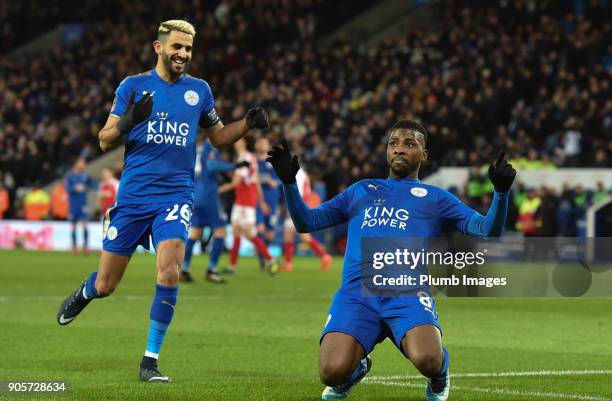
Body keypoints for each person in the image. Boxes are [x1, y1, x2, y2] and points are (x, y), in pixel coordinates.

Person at [56, 20, 269, 383]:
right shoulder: (133, 86)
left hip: (176, 195)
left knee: (170, 269)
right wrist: (129, 121)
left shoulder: (199, 91)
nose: (184, 54)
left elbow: (218, 137)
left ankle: (149, 361)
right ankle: (87, 291)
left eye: (188, 48)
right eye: (177, 47)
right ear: (159, 47)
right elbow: (104, 141)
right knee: (107, 285)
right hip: (134, 198)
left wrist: (246, 124)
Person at [266, 120, 515, 401]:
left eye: (410, 144)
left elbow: (487, 229)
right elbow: (306, 222)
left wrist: (501, 193)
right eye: (394, 143)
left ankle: (440, 376)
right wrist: (289, 184)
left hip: (407, 294)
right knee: (331, 372)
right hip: (357, 295)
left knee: (428, 360)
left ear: (424, 155)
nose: (400, 149)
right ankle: (356, 368)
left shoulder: (437, 198)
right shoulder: (361, 190)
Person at [180, 137, 249, 283]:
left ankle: (184, 269)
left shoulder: (198, 147)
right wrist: (234, 166)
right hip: (209, 196)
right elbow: (211, 165)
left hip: (195, 195)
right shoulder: (211, 147)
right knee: (221, 231)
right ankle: (212, 269)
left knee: (195, 233)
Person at [218, 138, 279, 275]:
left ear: (244, 143)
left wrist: (218, 191)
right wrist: (261, 201)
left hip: (246, 202)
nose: (236, 142)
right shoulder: (250, 158)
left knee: (249, 234)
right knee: (236, 233)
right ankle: (232, 266)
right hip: (243, 200)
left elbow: (236, 182)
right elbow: (256, 181)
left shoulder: (245, 158)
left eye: (238, 140)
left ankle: (271, 259)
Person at [281, 167, 332, 272]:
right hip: (301, 206)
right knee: (288, 233)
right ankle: (288, 263)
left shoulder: (297, 174)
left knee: (303, 236)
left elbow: (296, 193)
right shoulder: (299, 173)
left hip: (299, 207)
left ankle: (325, 256)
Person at [254, 137, 282, 269]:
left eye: (264, 143)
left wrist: (275, 182)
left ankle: (264, 253)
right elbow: (253, 179)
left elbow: (281, 179)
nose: (261, 144)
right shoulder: (253, 161)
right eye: (260, 142)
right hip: (258, 201)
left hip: (272, 201)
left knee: (270, 233)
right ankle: (262, 261)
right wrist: (266, 179)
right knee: (260, 229)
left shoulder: (274, 161)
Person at [65, 158, 97, 254]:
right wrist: (74, 188)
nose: (83, 165)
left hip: (83, 204)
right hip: (73, 205)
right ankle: (74, 247)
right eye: (81, 163)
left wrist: (99, 189)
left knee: (85, 225)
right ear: (76, 164)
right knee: (73, 226)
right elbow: (67, 188)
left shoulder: (86, 176)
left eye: (84, 163)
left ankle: (85, 246)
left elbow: (94, 184)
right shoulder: (70, 176)